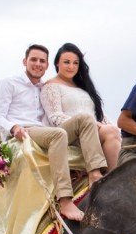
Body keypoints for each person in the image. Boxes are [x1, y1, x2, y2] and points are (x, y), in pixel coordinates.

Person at [0, 44, 107, 221]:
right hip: (25, 131)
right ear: (25, 62)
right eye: (33, 59)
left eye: (42, 61)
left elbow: (53, 117)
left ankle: (95, 174)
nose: (38, 64)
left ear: (47, 66)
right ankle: (65, 200)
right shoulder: (9, 83)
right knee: (58, 135)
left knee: (84, 118)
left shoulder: (45, 88)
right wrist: (14, 128)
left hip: (45, 132)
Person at [42, 43, 122, 172]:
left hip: (95, 128)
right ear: (57, 63)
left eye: (75, 63)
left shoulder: (82, 86)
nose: (71, 67)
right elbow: (54, 116)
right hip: (71, 132)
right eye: (66, 62)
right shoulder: (51, 86)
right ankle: (116, 179)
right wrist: (89, 124)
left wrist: (110, 127)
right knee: (110, 132)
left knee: (114, 131)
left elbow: (97, 113)